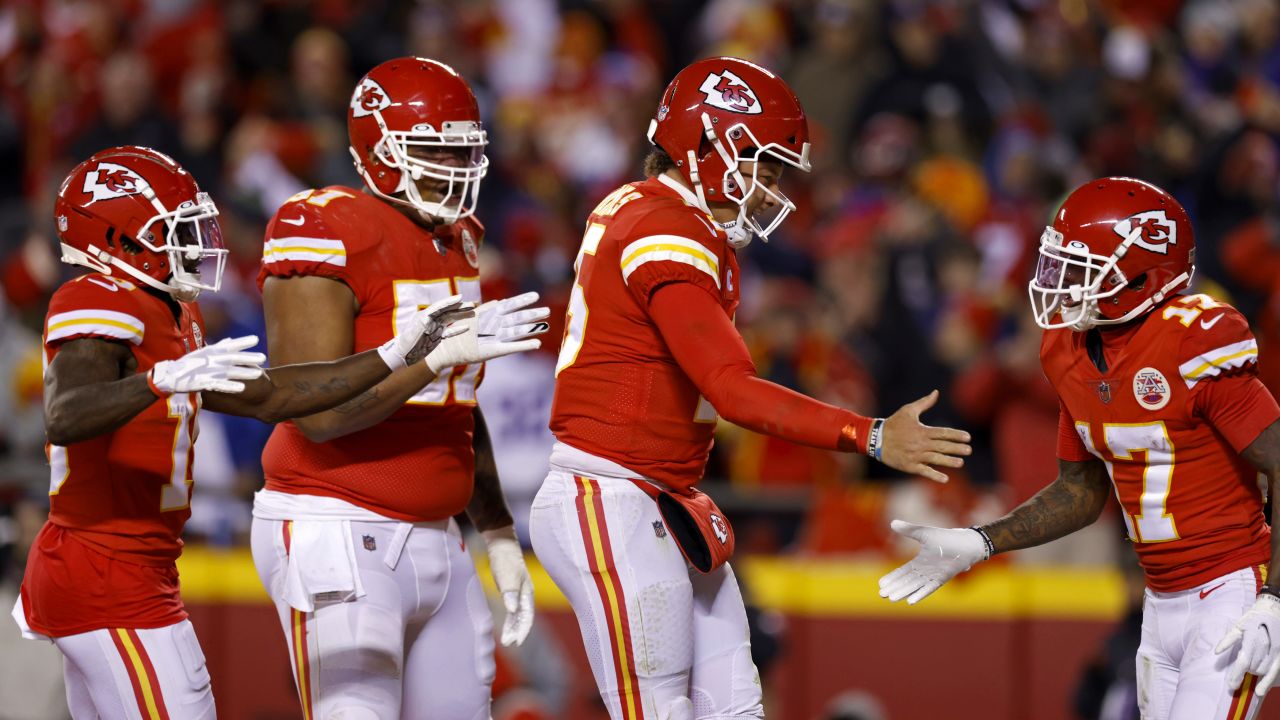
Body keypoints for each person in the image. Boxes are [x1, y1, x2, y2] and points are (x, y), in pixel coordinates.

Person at [529, 56, 972, 720]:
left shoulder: (665, 216)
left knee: (736, 709)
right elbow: (733, 391)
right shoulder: (664, 228)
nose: (768, 188)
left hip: (664, 496)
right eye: (762, 165)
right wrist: (871, 435)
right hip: (611, 492)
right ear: (708, 143)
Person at [12, 144, 487, 719]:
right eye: (175, 232)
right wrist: (158, 380)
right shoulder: (96, 298)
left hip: (131, 566)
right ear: (118, 242)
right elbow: (65, 413)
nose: (194, 245)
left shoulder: (167, 311)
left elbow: (273, 397)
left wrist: (400, 354)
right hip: (107, 570)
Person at [880, 177, 1280, 720]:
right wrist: (982, 541)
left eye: (1083, 268)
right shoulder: (1068, 349)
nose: (1064, 284)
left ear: (1140, 275)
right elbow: (1081, 490)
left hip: (1229, 590)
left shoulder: (1194, 340)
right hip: (1158, 600)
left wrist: (1275, 597)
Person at [249, 57, 546, 720]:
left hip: (438, 533)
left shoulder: (458, 238)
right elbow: (315, 416)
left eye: (465, 150)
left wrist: (496, 530)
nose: (455, 167)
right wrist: (436, 357)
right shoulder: (323, 227)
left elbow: (456, 406)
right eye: (436, 149)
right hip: (336, 520)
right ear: (379, 150)